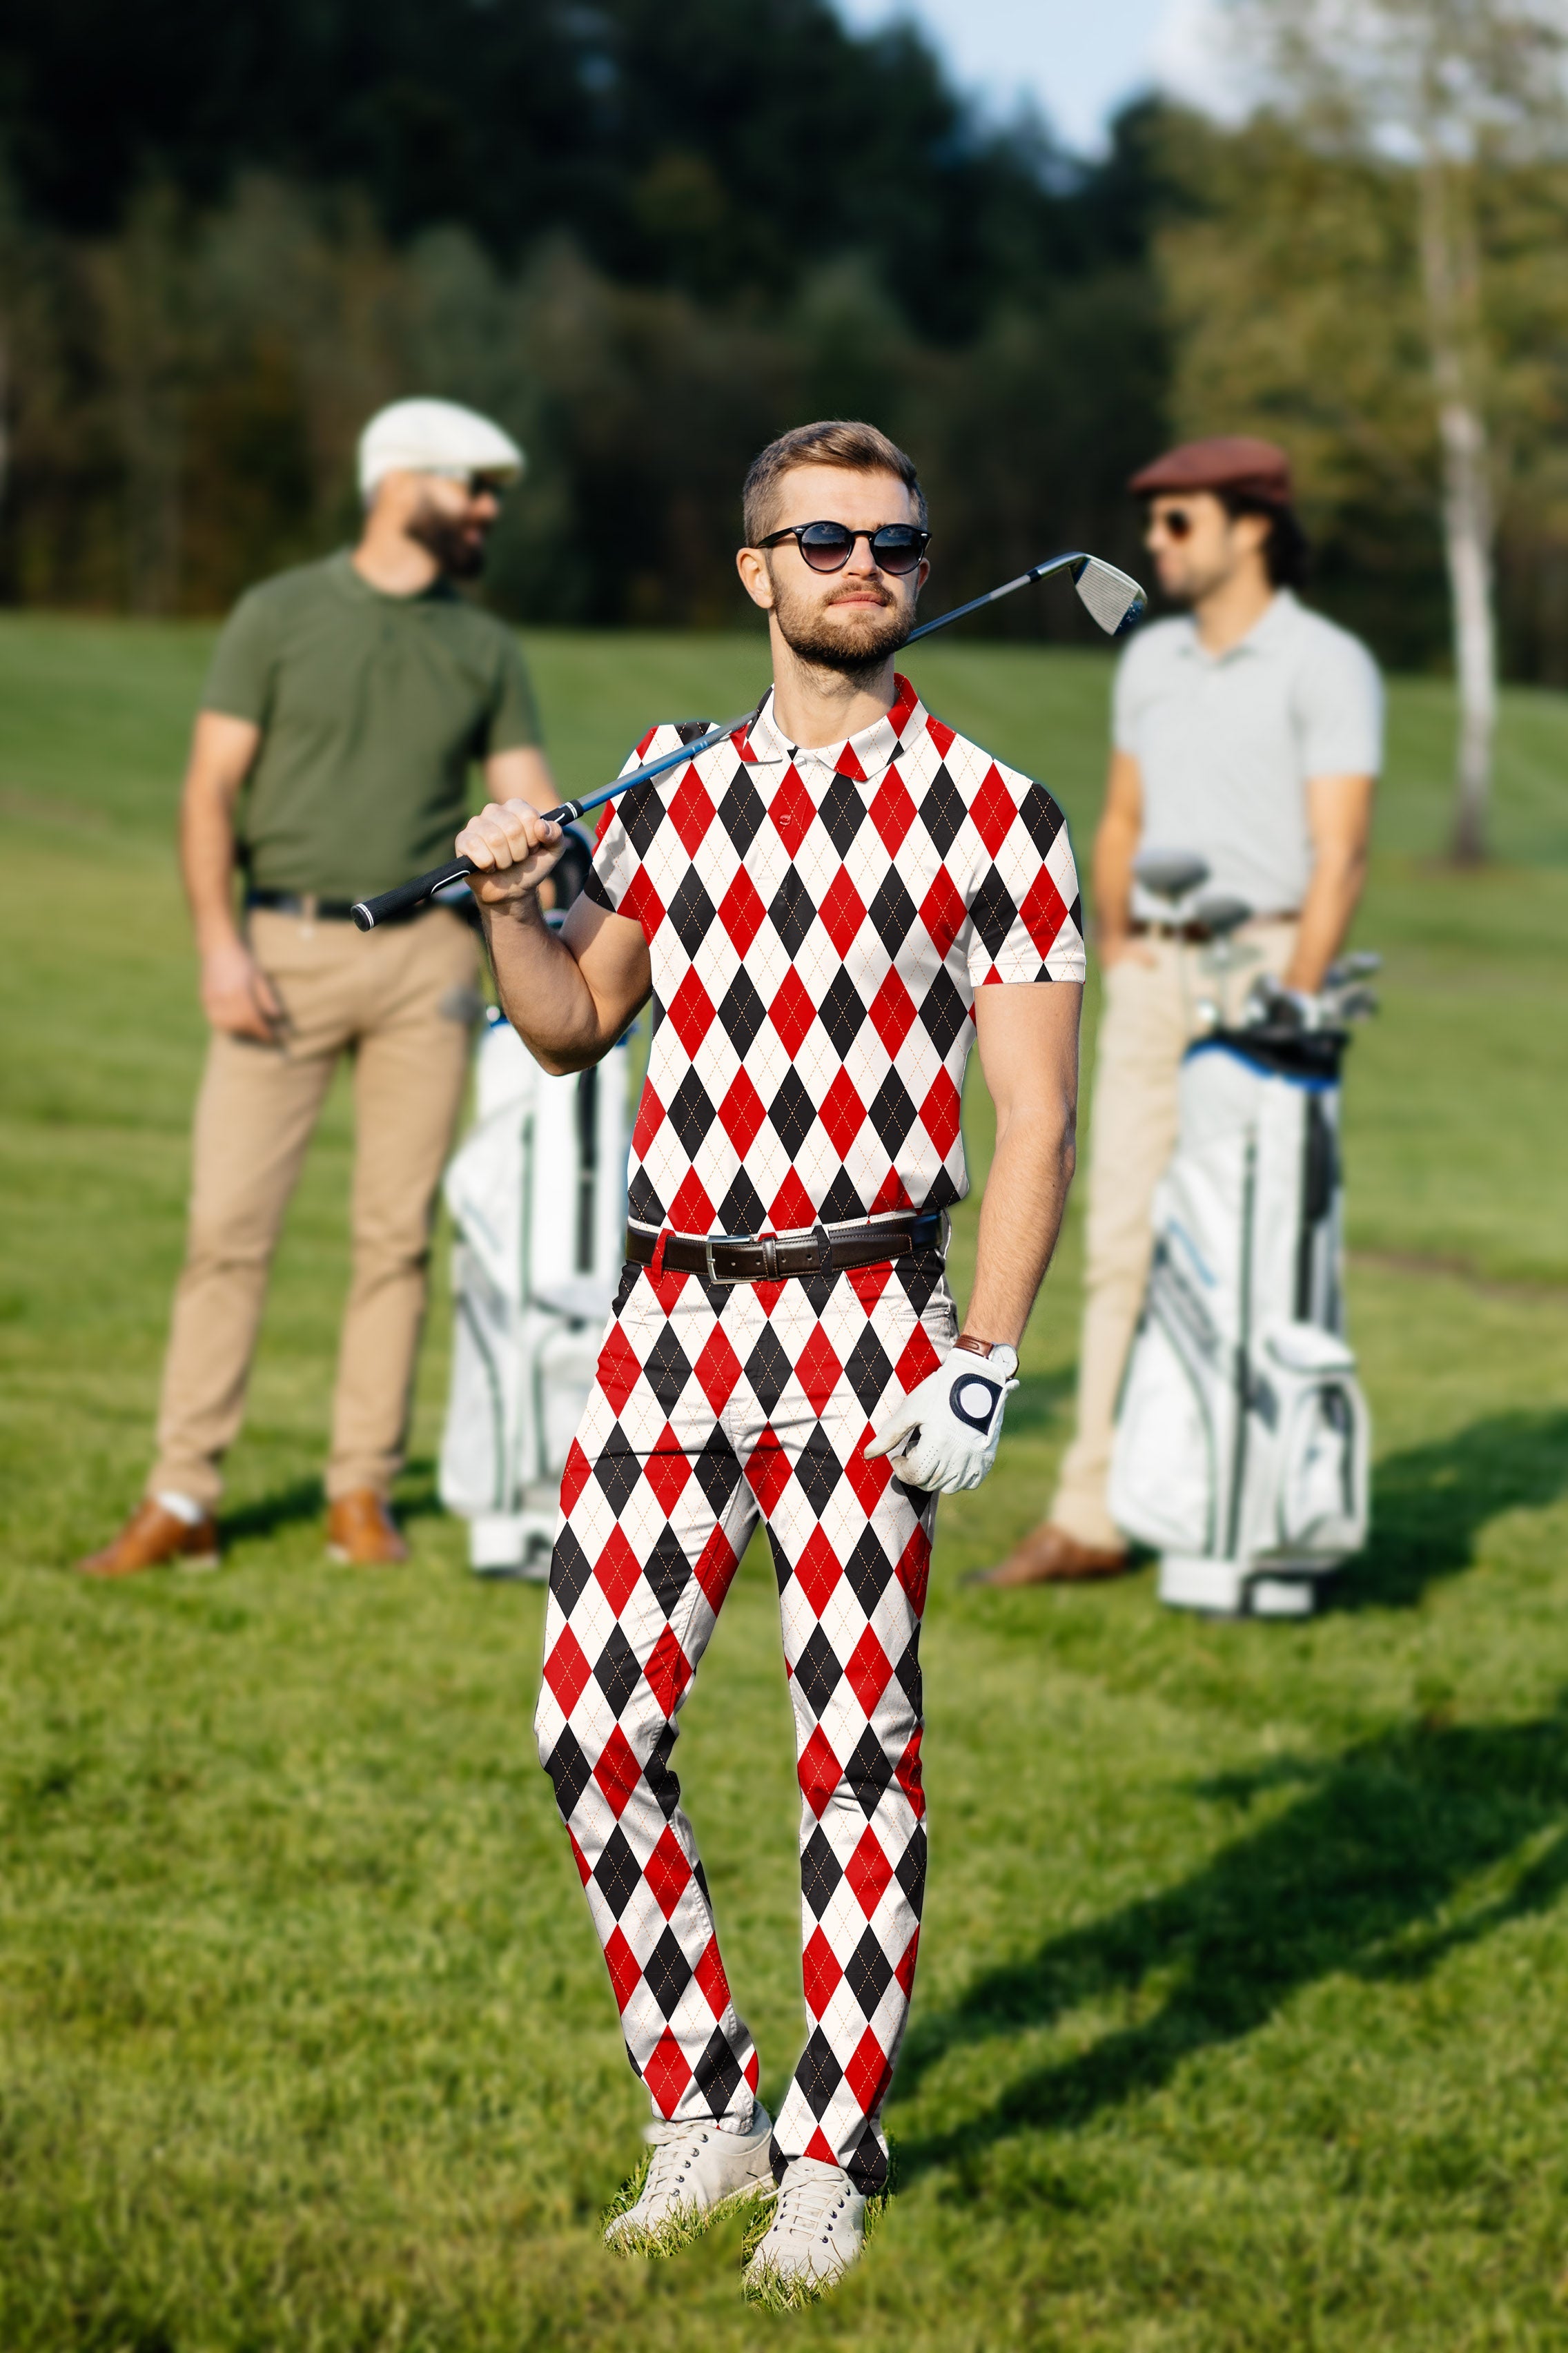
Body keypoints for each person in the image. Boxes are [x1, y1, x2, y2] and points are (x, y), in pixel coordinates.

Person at [453, 420, 1084, 2299]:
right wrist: (508, 896)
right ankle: (706, 2098)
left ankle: (828, 2150)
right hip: (671, 1314)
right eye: (822, 539)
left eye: (893, 538)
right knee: (590, 1729)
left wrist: (985, 1349)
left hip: (870, 1317)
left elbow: (1035, 1117)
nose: (863, 564)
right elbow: (571, 1026)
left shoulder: (997, 810)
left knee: (852, 1747)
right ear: (759, 575)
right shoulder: (673, 785)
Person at [79, 398, 558, 1577]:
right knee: (226, 1231)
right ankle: (183, 1493)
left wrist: (550, 906)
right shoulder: (277, 614)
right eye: (473, 486)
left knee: (394, 1237)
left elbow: (535, 802)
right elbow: (209, 791)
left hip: (430, 967)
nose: (490, 509)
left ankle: (360, 1496)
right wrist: (217, 947)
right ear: (401, 484)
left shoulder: (484, 644)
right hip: (278, 950)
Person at [981, 434, 1382, 1589]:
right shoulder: (1150, 661)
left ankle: (1245, 1511)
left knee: (1250, 1251)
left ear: (1253, 525)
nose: (1155, 543)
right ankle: (1094, 1512)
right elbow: (1120, 821)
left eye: (1178, 522)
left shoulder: (1326, 662)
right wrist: (1120, 943)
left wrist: (1294, 1004)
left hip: (1265, 971)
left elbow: (1342, 854)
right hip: (1153, 973)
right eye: (1150, 522)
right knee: (1117, 1245)